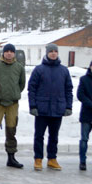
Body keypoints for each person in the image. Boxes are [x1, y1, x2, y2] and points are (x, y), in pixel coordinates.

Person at [28, 43, 73, 171]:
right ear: (47, 53)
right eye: (51, 51)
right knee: (39, 135)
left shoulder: (64, 70)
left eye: (55, 51)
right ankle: (38, 159)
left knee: (54, 136)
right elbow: (32, 88)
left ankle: (52, 159)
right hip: (41, 109)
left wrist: (68, 106)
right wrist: (33, 106)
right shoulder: (39, 69)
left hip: (58, 109)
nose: (53, 53)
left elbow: (68, 89)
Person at [0, 43, 26, 169]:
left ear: (14, 53)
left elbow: (22, 84)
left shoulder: (19, 67)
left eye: (11, 51)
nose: (9, 53)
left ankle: (11, 157)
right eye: (6, 51)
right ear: (3, 52)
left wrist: (14, 93)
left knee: (11, 130)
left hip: (12, 104)